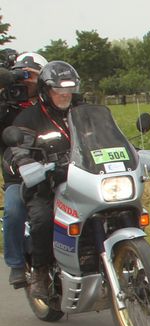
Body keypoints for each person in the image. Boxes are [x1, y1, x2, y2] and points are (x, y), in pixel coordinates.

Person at [9, 60, 80, 299]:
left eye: (68, 90)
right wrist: (29, 164)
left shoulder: (83, 111)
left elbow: (106, 133)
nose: (64, 95)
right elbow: (19, 149)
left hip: (82, 178)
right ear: (45, 91)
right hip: (45, 186)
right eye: (58, 91)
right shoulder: (28, 118)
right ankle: (39, 272)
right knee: (42, 219)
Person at [1, 52, 47, 288]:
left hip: (56, 168)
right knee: (13, 209)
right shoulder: (6, 106)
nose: (25, 85)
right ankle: (17, 264)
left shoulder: (54, 103)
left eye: (32, 78)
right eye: (21, 79)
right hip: (17, 174)